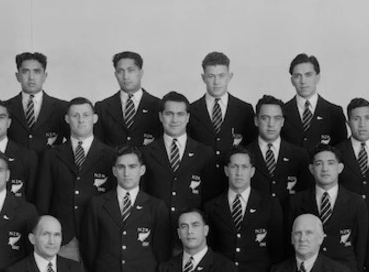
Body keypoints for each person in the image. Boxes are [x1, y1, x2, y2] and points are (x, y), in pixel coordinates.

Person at [36, 97, 116, 262]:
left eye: (86, 115)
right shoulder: (51, 156)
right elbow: (43, 200)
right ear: (67, 119)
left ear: (94, 118)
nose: (81, 120)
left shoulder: (111, 155)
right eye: (75, 115)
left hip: (99, 236)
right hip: (63, 238)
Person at [142, 91, 215, 253]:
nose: (174, 120)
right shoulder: (146, 153)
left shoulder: (204, 153)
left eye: (180, 114)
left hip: (191, 239)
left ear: (188, 117)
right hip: (155, 235)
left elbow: (210, 200)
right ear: (161, 116)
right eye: (169, 114)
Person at [187, 52, 257, 201]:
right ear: (203, 78)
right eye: (211, 76)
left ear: (230, 76)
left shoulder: (244, 110)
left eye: (221, 76)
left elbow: (251, 148)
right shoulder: (191, 111)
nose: (216, 81)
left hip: (235, 186)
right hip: (200, 186)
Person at [246, 95, 311, 209]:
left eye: (277, 118)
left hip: (290, 219)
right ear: (256, 121)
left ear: (282, 122)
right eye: (265, 118)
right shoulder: (244, 154)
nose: (271, 124)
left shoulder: (300, 155)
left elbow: (305, 193)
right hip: (255, 219)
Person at [4, 52, 69, 159]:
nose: (31, 77)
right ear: (17, 76)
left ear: (45, 76)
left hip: (50, 170)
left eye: (37, 72)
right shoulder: (5, 108)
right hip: (15, 170)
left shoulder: (62, 108)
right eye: (25, 72)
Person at [93, 51, 162, 149]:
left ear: (141, 72)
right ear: (115, 74)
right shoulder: (102, 107)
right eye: (120, 71)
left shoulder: (157, 105)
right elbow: (98, 147)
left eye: (131, 70)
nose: (125, 76)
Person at [281, 54, 347, 154]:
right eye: (297, 76)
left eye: (308, 75)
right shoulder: (281, 112)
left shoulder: (334, 113)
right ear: (292, 81)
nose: (303, 81)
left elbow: (340, 151)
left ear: (317, 77)